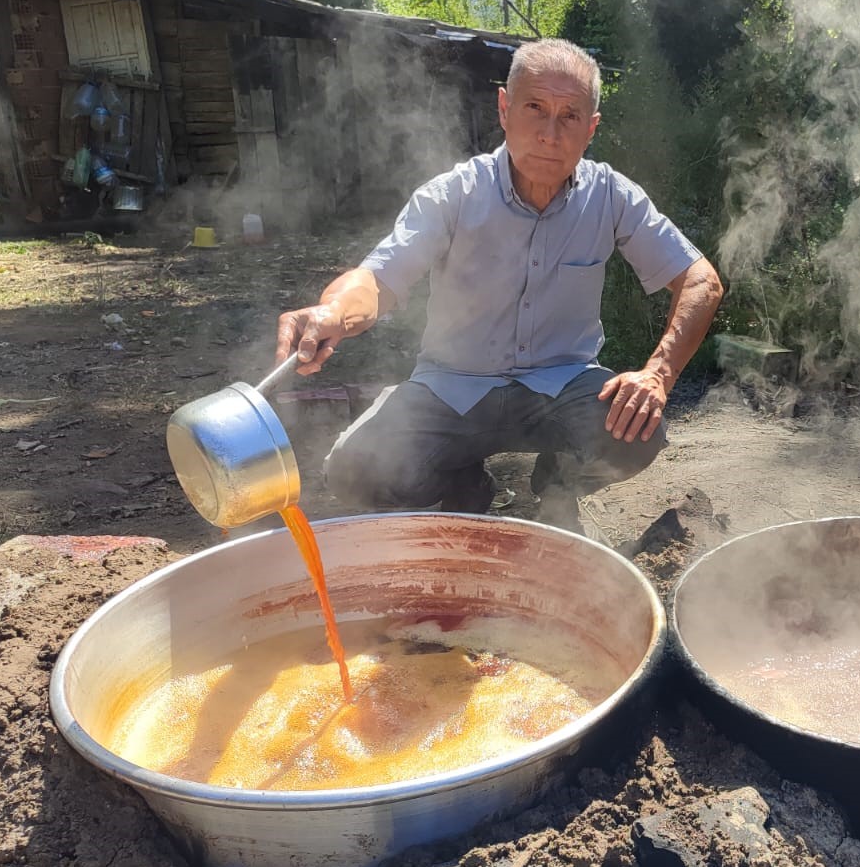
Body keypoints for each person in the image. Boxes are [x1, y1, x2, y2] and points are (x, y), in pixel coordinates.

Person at [274, 38, 724, 532]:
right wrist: (333, 313)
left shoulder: (610, 196)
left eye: (570, 116)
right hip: (451, 388)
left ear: (590, 129)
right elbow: (378, 278)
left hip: (563, 386)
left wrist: (657, 374)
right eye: (535, 108)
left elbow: (701, 280)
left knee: (638, 430)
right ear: (505, 108)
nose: (550, 133)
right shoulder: (454, 194)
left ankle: (558, 484)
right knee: (355, 469)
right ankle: (460, 481)